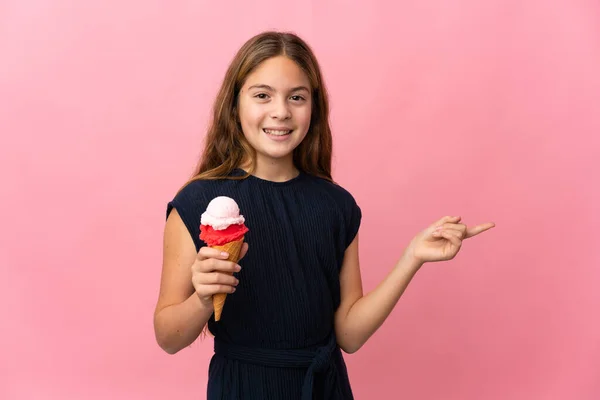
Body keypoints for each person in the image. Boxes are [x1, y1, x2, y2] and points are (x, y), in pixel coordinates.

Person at [153, 31, 495, 400]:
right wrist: (203, 298)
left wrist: (412, 257)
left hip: (323, 387)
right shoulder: (196, 201)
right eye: (262, 95)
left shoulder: (337, 206)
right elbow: (168, 338)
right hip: (243, 387)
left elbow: (349, 335)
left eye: (296, 97)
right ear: (235, 104)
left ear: (314, 108)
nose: (281, 111)